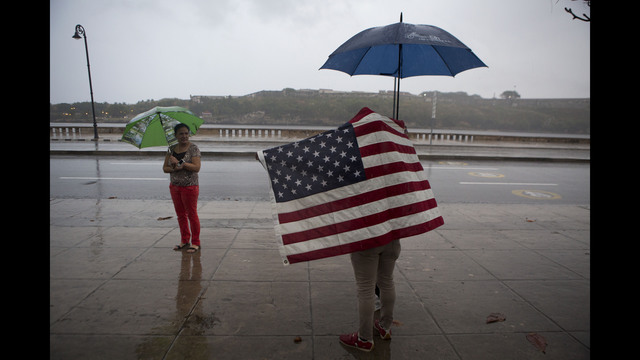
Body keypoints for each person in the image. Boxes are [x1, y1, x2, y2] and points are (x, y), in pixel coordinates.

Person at [339, 240, 401, 352]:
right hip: (392, 239)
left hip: (366, 241)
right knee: (387, 282)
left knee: (365, 288)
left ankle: (364, 338)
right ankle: (385, 327)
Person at [163, 123, 202, 253]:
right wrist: (174, 167)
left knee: (192, 214)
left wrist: (181, 164)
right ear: (176, 135)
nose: (184, 136)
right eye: (181, 133)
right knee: (180, 215)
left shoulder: (193, 148)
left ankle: (195, 242)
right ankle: (185, 240)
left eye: (186, 133)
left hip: (189, 186)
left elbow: (196, 167)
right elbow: (165, 168)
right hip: (175, 186)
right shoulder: (171, 149)